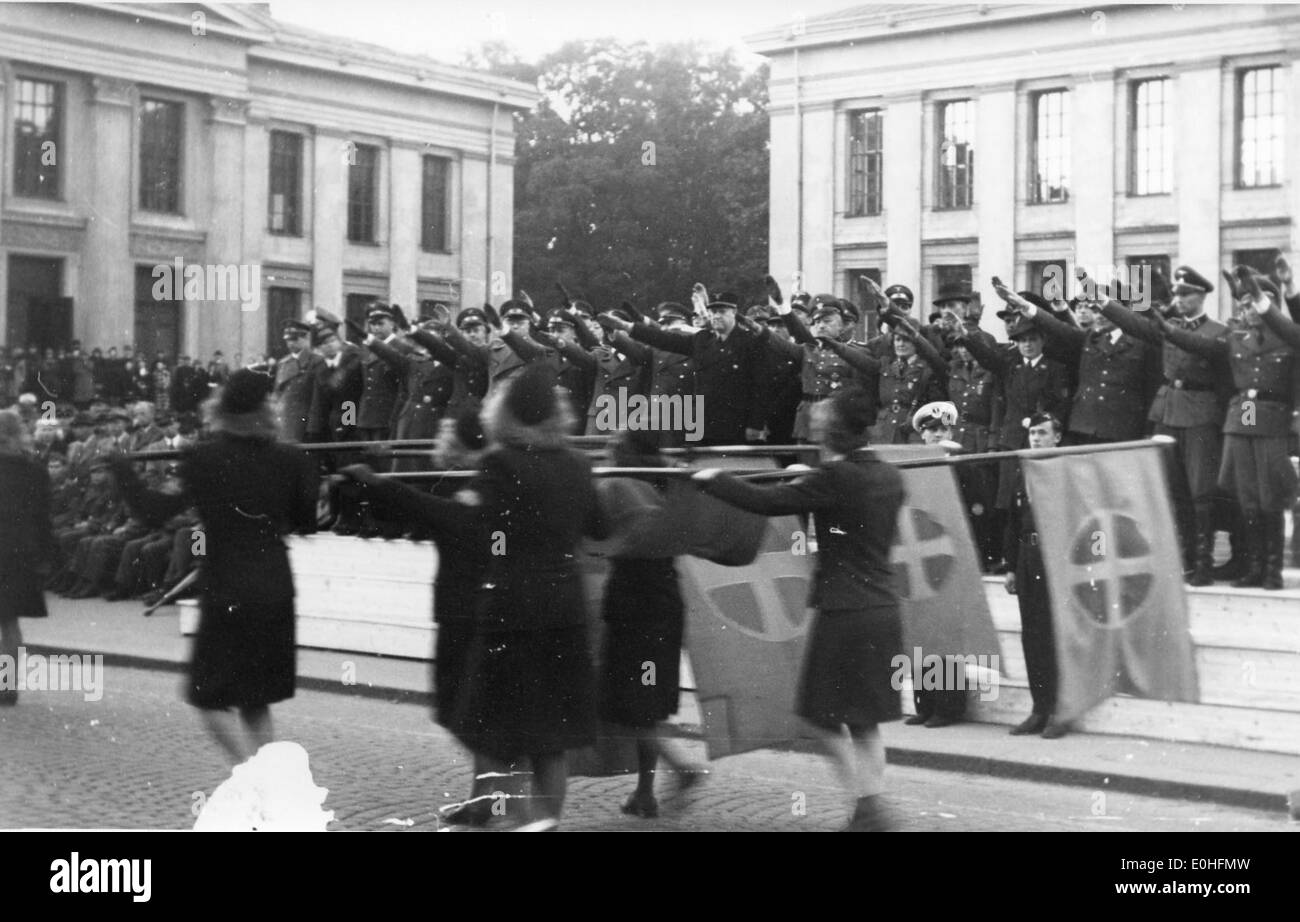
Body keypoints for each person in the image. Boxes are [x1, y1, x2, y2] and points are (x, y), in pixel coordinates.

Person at [693, 385, 906, 831]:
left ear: (834, 433)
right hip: (883, 608)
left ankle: (868, 805)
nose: (813, 430)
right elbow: (839, 495)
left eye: (820, 425)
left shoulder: (834, 479)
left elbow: (771, 503)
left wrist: (715, 480)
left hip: (843, 612)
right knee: (865, 721)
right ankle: (870, 805)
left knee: (820, 715)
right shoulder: (890, 476)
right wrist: (805, 476)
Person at [110, 369, 318, 764]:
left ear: (221, 407)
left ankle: (249, 780)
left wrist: (123, 471)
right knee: (256, 702)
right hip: (274, 585)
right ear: (266, 409)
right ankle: (267, 785)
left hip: (226, 588)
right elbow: (305, 522)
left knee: (207, 697)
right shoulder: (292, 458)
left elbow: (154, 511)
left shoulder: (203, 458)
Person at [448, 363, 606, 830]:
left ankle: (513, 817)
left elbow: (472, 529)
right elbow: (600, 527)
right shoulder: (578, 463)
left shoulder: (499, 463)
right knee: (551, 734)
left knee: (495, 725)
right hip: (565, 608)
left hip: (511, 608)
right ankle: (547, 821)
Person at [340, 409, 496, 825]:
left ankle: (495, 793)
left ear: (465, 445)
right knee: (461, 709)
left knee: (459, 709)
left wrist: (376, 483)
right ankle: (485, 794)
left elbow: (438, 514)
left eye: (448, 433)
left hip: (469, 609)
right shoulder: (465, 482)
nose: (439, 442)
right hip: (464, 606)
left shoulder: (481, 486)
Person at [597, 429, 706, 818]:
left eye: (615, 447)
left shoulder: (618, 487)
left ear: (630, 453)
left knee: (629, 701)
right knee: (649, 701)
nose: (608, 451)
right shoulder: (671, 484)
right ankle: (645, 792)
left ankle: (681, 767)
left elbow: (596, 531)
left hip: (632, 604)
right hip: (665, 600)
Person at [1003, 412, 1068, 738]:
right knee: (1033, 637)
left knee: (1056, 636)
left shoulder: (1065, 471)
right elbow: (1014, 523)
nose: (1036, 439)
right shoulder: (1023, 470)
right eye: (1033, 435)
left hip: (1056, 558)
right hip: (1029, 558)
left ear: (1057, 437)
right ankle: (1039, 708)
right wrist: (1012, 567)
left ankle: (1060, 710)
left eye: (1043, 434)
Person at [0, 410, 54, 705]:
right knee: (10, 623)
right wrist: (45, 556)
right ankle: (7, 687)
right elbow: (44, 518)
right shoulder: (35, 469)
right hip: (21, 553)